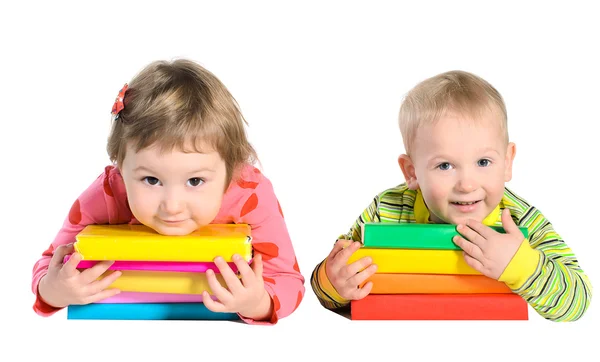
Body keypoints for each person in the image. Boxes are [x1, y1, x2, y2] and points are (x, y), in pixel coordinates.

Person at [32, 59, 305, 324]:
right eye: (151, 180)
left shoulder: (250, 194)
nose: (172, 206)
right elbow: (49, 262)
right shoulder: (107, 192)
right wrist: (53, 291)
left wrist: (258, 304)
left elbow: (288, 280)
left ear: (231, 169)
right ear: (120, 166)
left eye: (195, 181)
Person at [310, 70, 591, 321]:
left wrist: (521, 265)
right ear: (412, 172)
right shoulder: (386, 209)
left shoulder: (518, 220)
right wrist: (334, 284)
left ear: (507, 162)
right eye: (445, 165)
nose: (467, 184)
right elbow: (330, 282)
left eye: (483, 162)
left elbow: (578, 301)